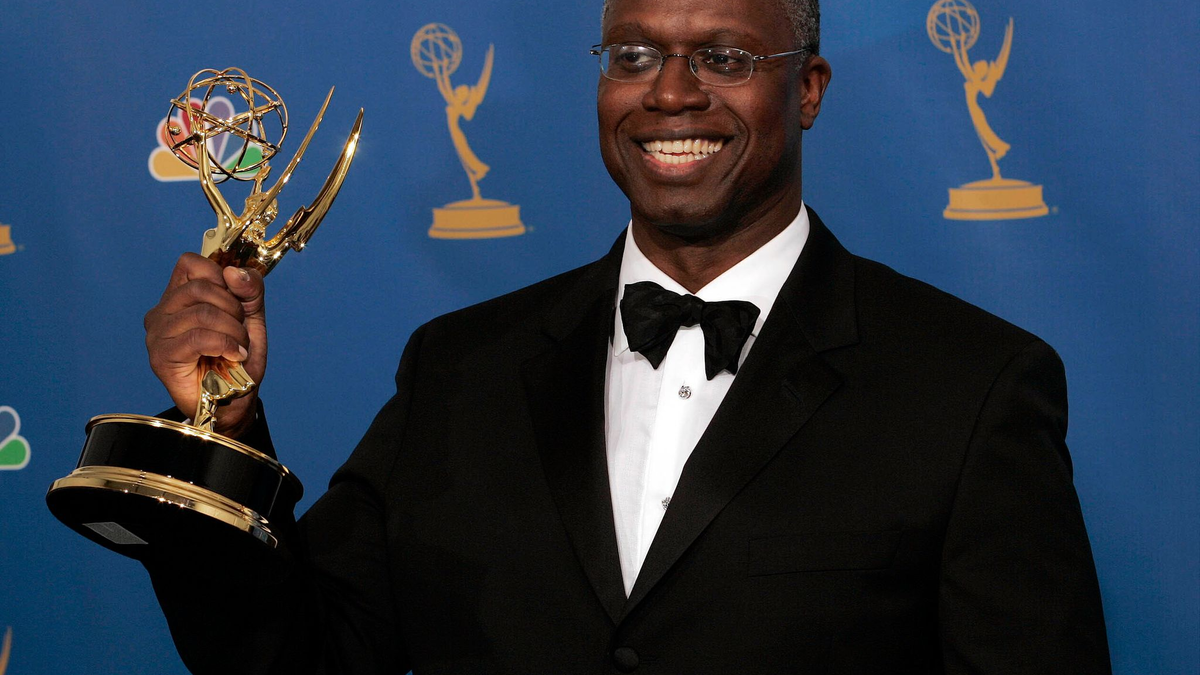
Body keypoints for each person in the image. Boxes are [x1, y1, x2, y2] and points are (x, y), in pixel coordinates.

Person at [141, 0, 1112, 672]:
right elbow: (300, 656)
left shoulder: (970, 386)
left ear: (808, 89)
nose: (671, 93)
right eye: (634, 56)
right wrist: (218, 427)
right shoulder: (459, 368)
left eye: (725, 57)